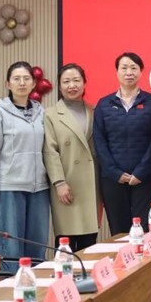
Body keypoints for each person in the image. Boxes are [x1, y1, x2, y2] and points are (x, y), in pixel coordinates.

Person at [0, 61, 49, 267]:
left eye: (26, 79)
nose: (22, 83)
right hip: (9, 187)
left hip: (39, 187)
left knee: (37, 245)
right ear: (8, 84)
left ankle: (37, 285)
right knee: (10, 246)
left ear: (33, 84)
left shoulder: (41, 112)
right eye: (16, 79)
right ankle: (12, 285)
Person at [93, 52, 151, 235]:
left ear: (141, 72)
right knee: (119, 231)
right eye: (124, 68)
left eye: (133, 68)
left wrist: (141, 172)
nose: (129, 72)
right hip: (113, 179)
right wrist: (115, 172)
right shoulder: (104, 104)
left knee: (145, 231)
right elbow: (99, 141)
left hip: (145, 178)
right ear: (117, 72)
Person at [43, 63, 99, 251]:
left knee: (89, 243)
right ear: (59, 86)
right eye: (66, 81)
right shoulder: (50, 114)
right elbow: (49, 151)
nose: (72, 85)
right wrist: (59, 182)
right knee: (66, 244)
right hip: (66, 183)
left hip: (90, 184)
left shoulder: (94, 111)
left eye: (76, 80)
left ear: (84, 83)